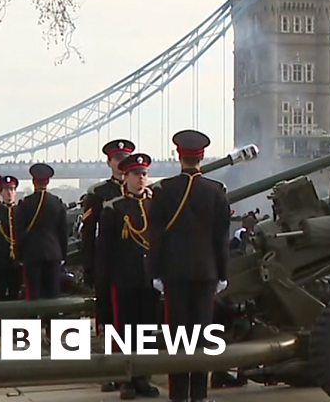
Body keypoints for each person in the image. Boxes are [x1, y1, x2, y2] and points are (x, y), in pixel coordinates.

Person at [149, 130, 231, 402]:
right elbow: (221, 237)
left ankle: (178, 394)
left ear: (178, 155)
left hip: (174, 274)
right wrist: (222, 273)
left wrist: (156, 273)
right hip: (206, 273)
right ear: (202, 157)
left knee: (178, 338)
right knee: (202, 337)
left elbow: (156, 236)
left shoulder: (163, 190)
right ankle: (199, 394)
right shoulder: (216, 191)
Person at [97, 153, 160, 400]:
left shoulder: (155, 206)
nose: (141, 179)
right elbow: (105, 252)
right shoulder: (114, 208)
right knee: (125, 330)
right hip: (124, 278)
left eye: (144, 174)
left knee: (146, 329)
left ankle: (142, 377)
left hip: (149, 279)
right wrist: (103, 283)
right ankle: (126, 378)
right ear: (126, 177)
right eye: (136, 174)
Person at [81, 139, 134, 394]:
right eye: (117, 160)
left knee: (137, 321)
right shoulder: (99, 193)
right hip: (109, 267)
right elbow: (88, 234)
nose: (121, 165)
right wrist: (90, 268)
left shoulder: (143, 192)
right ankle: (113, 372)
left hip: (135, 267)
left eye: (126, 159)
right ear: (109, 162)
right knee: (110, 321)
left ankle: (137, 373)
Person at [15, 163, 67, 300]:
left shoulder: (25, 204)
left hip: (31, 255)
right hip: (53, 254)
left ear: (33, 181)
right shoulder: (57, 203)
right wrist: (62, 255)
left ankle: (34, 321)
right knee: (53, 296)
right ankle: (50, 321)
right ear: (48, 181)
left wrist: (19, 255)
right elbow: (63, 232)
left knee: (33, 296)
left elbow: (19, 232)